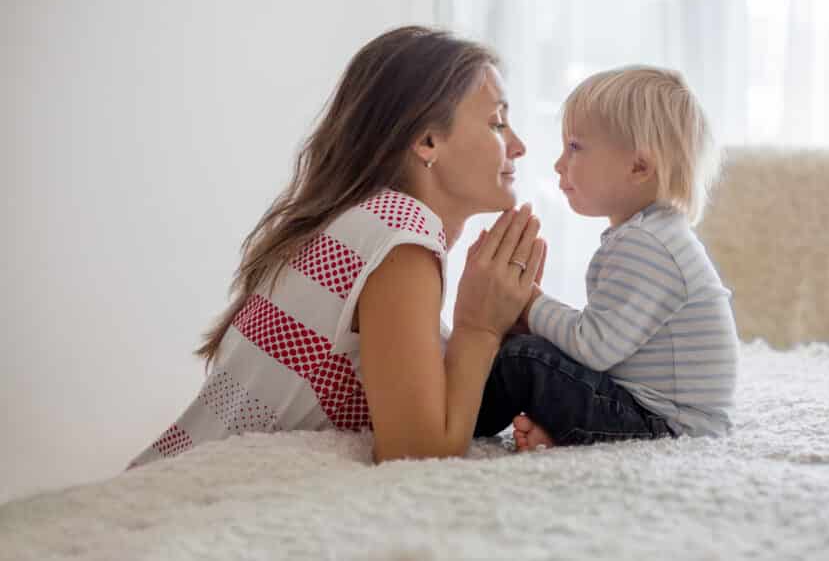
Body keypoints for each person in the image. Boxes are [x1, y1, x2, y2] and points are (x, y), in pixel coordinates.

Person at [129, 25, 545, 467]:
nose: (518, 146)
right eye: (497, 123)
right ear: (427, 141)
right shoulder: (400, 227)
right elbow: (417, 453)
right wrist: (478, 327)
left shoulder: (360, 223)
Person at [473, 67, 737, 450]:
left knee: (524, 357)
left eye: (575, 148)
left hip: (669, 426)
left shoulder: (647, 244)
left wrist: (530, 304)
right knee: (536, 349)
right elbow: (606, 344)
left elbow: (594, 347)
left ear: (638, 167)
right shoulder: (653, 235)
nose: (559, 164)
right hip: (654, 411)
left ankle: (457, 419)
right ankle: (567, 432)